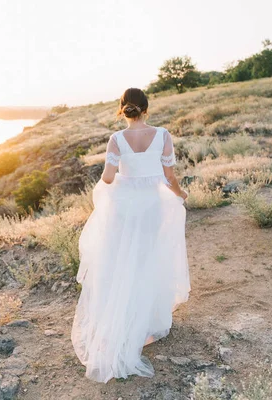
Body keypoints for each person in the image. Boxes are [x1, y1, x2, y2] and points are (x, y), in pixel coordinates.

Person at [71, 87, 191, 383]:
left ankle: (125, 323)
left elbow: (108, 178)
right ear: (146, 108)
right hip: (152, 206)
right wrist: (181, 194)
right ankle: (147, 325)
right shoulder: (163, 135)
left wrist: (126, 176)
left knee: (124, 262)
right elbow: (169, 177)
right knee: (149, 259)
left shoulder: (116, 139)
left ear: (122, 109)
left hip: (125, 209)